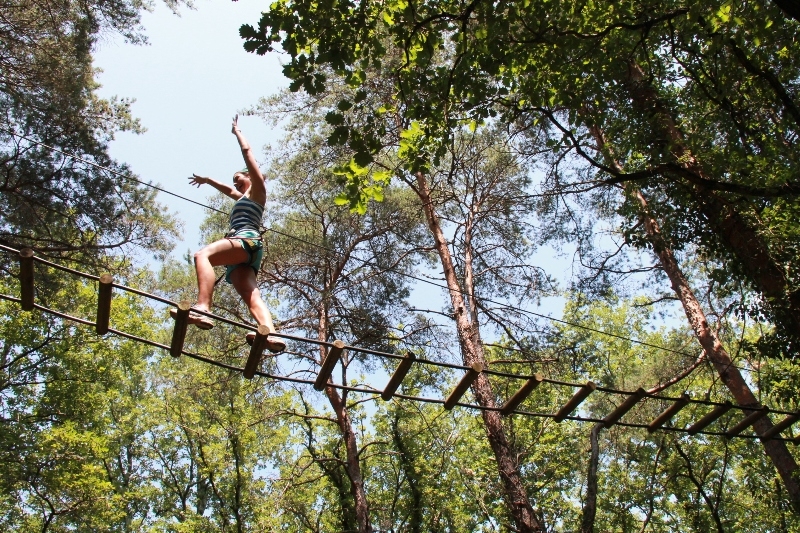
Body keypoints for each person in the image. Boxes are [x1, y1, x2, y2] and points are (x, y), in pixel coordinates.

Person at [171, 116, 285, 352]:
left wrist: (238, 132)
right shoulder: (244, 198)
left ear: (250, 176)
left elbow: (247, 151)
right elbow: (227, 190)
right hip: (249, 252)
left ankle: (203, 308)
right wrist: (208, 180)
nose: (235, 183)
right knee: (250, 294)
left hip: (245, 240)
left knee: (202, 255)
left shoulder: (259, 191)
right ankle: (271, 334)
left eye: (238, 178)